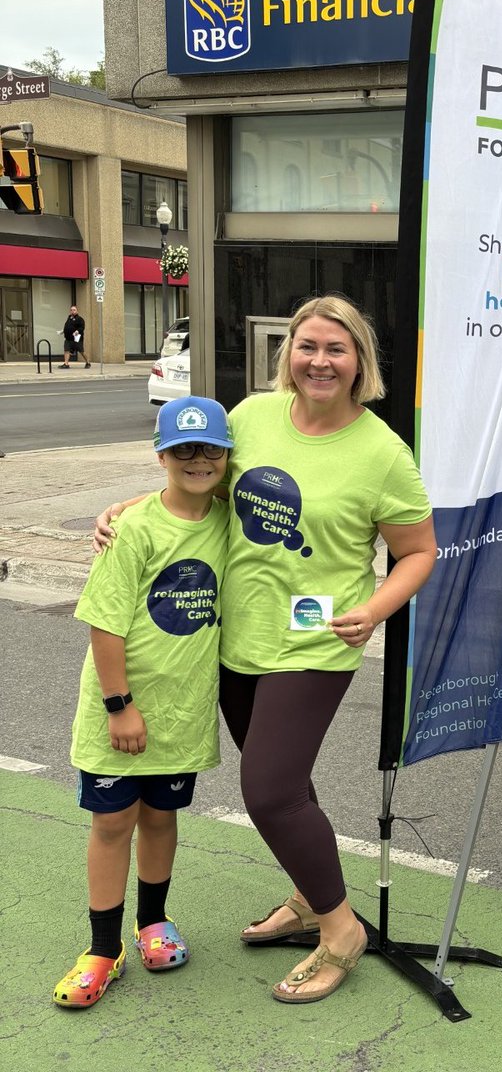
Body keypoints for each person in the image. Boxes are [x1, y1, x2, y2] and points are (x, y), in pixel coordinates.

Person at [97, 294, 436, 1005]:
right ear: (289, 355)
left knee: (270, 791)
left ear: (359, 363)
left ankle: (341, 929)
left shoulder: (383, 452)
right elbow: (205, 486)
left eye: (336, 349)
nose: (320, 360)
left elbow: (418, 552)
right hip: (237, 635)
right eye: (307, 346)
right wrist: (134, 505)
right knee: (287, 785)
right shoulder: (251, 417)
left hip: (315, 643)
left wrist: (373, 610)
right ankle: (311, 897)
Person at [54, 396, 233, 1008]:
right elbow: (105, 624)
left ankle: (153, 922)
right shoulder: (132, 529)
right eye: (183, 449)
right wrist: (119, 704)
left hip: (181, 714)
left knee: (160, 818)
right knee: (112, 824)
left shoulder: (229, 520)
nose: (198, 460)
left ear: (228, 457)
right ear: (161, 456)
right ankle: (103, 949)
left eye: (210, 448)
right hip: (121, 711)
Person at [61, 304, 90, 369]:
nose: (72, 311)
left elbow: (82, 327)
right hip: (68, 338)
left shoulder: (80, 319)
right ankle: (66, 364)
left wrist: (77, 331)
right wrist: (63, 331)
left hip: (77, 339)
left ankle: (88, 362)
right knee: (66, 350)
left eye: (74, 310)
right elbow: (67, 326)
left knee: (81, 351)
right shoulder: (69, 318)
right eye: (71, 310)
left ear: (77, 311)